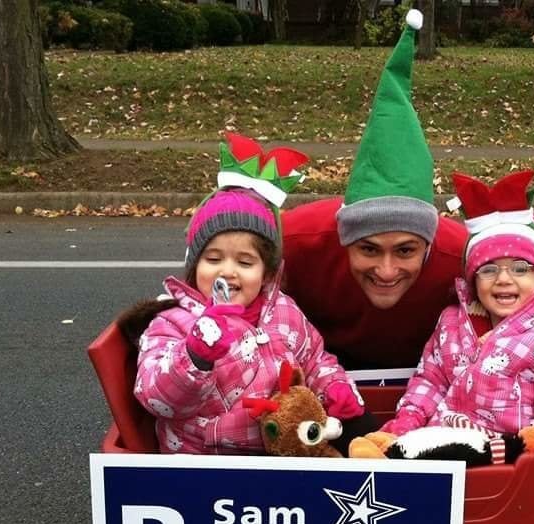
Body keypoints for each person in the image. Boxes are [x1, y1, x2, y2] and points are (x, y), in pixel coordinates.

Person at [127, 153, 364, 454]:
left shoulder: (282, 311)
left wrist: (334, 387)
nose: (228, 271)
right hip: (208, 465)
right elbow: (159, 398)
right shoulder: (173, 322)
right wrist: (196, 356)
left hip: (281, 452)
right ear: (194, 264)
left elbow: (315, 357)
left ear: (266, 273)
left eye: (245, 261)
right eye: (213, 259)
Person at [281, 9, 467, 370]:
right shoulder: (295, 240)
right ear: (344, 235)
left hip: (428, 391)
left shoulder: (464, 259)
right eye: (368, 248)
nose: (386, 270)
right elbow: (224, 265)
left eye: (405, 250)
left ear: (430, 241)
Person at [357, 170, 534, 444]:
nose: (504, 280)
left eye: (520, 269)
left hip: (511, 451)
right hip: (443, 437)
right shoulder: (454, 321)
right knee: (380, 448)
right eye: (488, 270)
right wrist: (407, 422)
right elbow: (431, 379)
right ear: (474, 279)